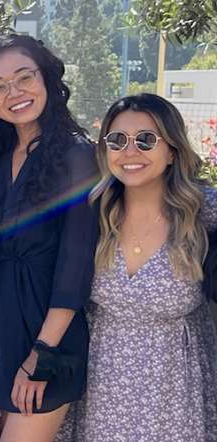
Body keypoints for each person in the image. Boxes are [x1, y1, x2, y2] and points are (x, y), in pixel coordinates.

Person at [62, 94, 217, 441]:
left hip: (176, 394)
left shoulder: (199, 210)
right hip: (102, 389)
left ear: (172, 150)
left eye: (146, 140)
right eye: (117, 140)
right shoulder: (92, 214)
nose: (129, 151)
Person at [0, 35, 99, 441]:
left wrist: (41, 356)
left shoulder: (77, 156)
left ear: (47, 78)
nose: (14, 93)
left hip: (46, 339)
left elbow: (75, 265)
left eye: (24, 77)